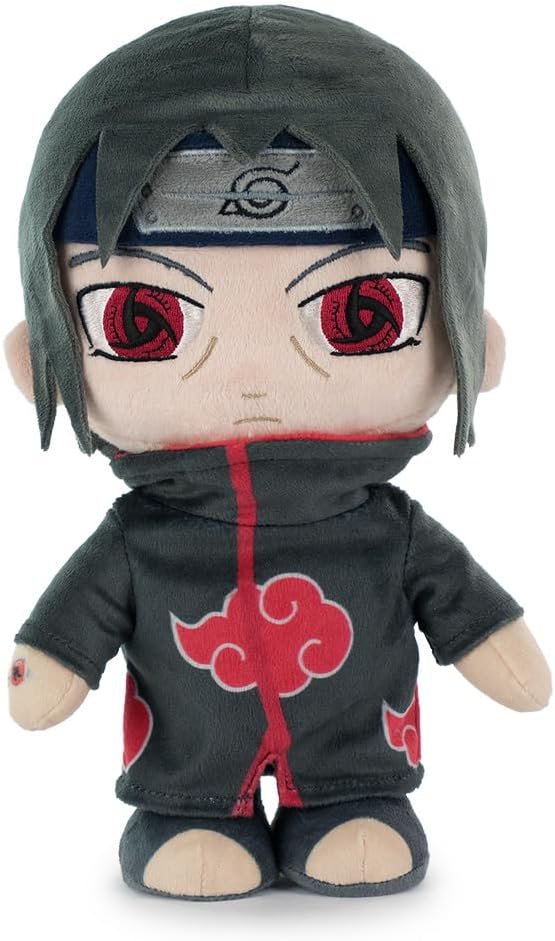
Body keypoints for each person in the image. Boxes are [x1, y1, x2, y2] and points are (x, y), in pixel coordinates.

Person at [5, 4, 551, 900]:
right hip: (186, 761)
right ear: (42, 358)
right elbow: (75, 623)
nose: (251, 376)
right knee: (193, 825)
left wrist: (496, 640)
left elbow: (465, 606)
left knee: (358, 823)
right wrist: (51, 661)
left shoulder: (393, 530)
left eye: (361, 312)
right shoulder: (138, 538)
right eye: (141, 320)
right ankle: (189, 812)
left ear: (470, 343)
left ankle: (348, 801)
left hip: (357, 752)